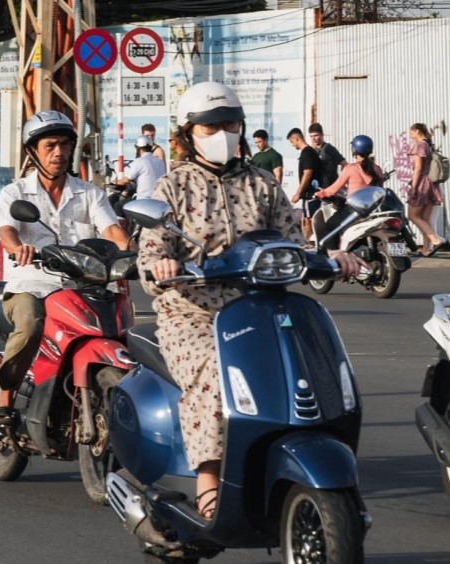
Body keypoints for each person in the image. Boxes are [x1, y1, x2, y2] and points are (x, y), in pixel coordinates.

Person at [138, 82, 367, 521]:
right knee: (213, 369)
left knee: (311, 360)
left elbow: (293, 243)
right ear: (188, 133)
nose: (222, 132)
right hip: (193, 312)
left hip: (260, 306)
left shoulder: (262, 184)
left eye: (229, 123)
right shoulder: (173, 188)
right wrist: (163, 266)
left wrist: (332, 258)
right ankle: (207, 475)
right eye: (211, 126)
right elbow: (152, 253)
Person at [0, 111, 131, 427]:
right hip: (30, 282)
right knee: (30, 323)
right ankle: (5, 396)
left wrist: (132, 252)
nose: (59, 153)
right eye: (50, 145)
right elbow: (7, 231)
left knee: (120, 328)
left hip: (81, 284)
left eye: (64, 145)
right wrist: (18, 248)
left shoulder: (89, 193)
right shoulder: (16, 193)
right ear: (32, 151)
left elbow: (111, 230)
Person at [406, 123, 446, 255]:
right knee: (425, 218)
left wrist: (413, 187)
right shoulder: (428, 144)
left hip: (422, 184)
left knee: (412, 216)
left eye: (411, 132)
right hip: (431, 185)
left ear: (417, 131)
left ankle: (435, 240)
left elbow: (418, 168)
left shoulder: (420, 145)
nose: (410, 135)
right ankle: (426, 250)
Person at [308, 123, 346, 190]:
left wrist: (341, 181)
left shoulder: (328, 148)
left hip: (331, 188)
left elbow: (344, 163)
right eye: (311, 136)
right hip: (318, 188)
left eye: (316, 135)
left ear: (322, 134)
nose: (313, 138)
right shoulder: (312, 150)